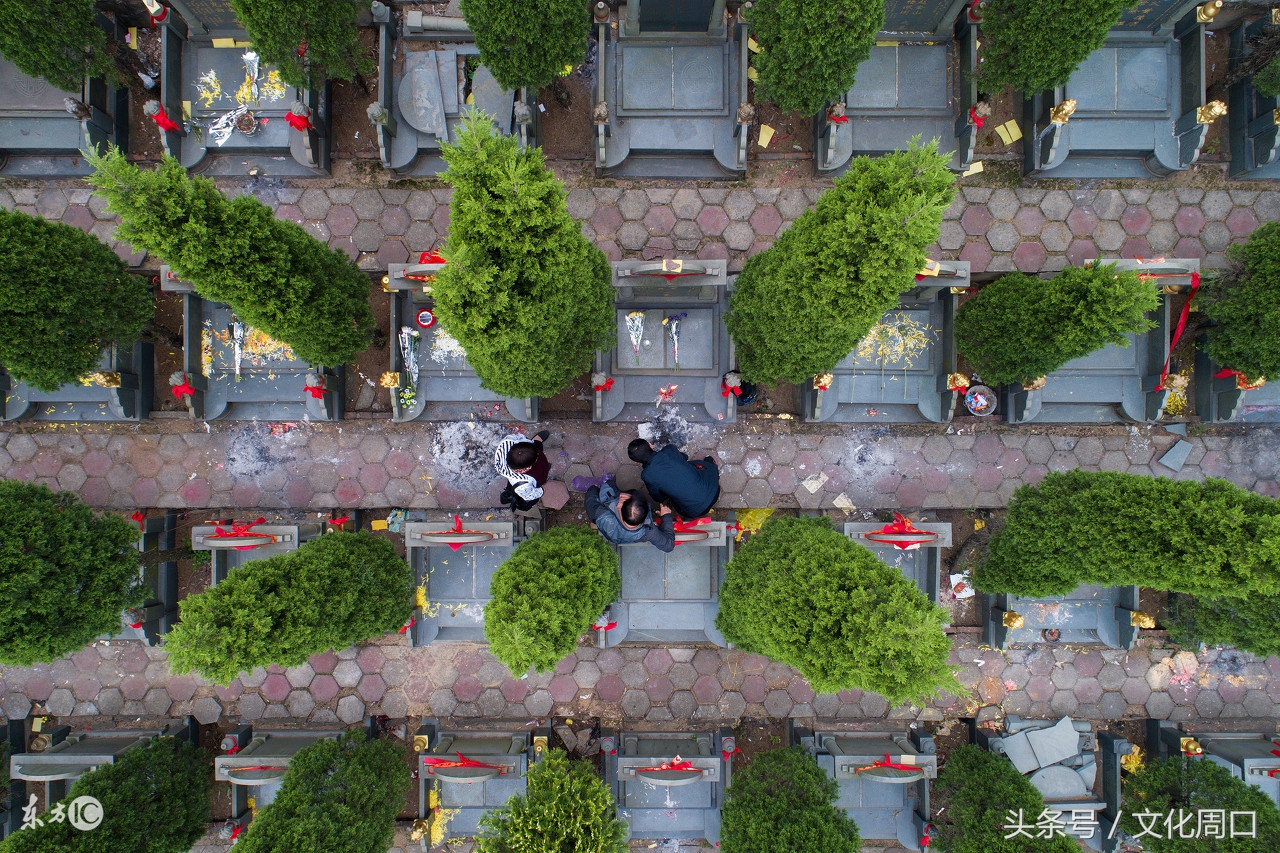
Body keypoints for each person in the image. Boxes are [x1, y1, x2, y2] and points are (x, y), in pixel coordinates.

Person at [627, 438, 720, 518]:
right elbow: (685, 457)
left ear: (637, 462)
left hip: (696, 511)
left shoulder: (647, 475)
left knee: (676, 502)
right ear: (650, 445)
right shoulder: (669, 449)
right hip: (714, 488)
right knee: (695, 465)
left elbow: (658, 497)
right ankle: (711, 462)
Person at [585, 477, 675, 552]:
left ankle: (610, 482)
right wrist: (666, 517)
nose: (621, 499)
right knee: (634, 492)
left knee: (608, 488)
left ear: (619, 508)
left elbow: (590, 502)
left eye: (621, 502)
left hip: (612, 535)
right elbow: (669, 546)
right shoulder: (648, 532)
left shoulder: (603, 516)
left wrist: (593, 489)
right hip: (626, 537)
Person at [494, 430, 550, 512]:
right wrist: (541, 491)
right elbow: (530, 495)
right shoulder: (522, 486)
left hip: (527, 458)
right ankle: (536, 442)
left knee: (536, 456)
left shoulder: (509, 441)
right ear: (524, 469)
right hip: (534, 477)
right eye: (536, 457)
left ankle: (535, 442)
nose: (538, 455)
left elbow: (521, 437)